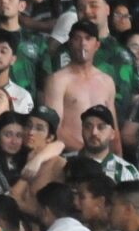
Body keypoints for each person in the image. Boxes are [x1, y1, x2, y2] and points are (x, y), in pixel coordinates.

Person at [42, 20, 120, 152]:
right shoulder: (58, 80)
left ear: (97, 45)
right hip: (70, 157)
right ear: (70, 43)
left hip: (102, 159)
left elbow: (113, 130)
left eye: (88, 38)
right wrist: (87, 153)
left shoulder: (107, 81)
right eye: (77, 38)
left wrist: (118, 160)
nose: (83, 44)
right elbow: (54, 128)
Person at [79, 104, 139, 182]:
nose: (94, 132)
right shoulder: (65, 163)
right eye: (88, 126)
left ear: (112, 134)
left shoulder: (126, 171)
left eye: (101, 127)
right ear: (82, 130)